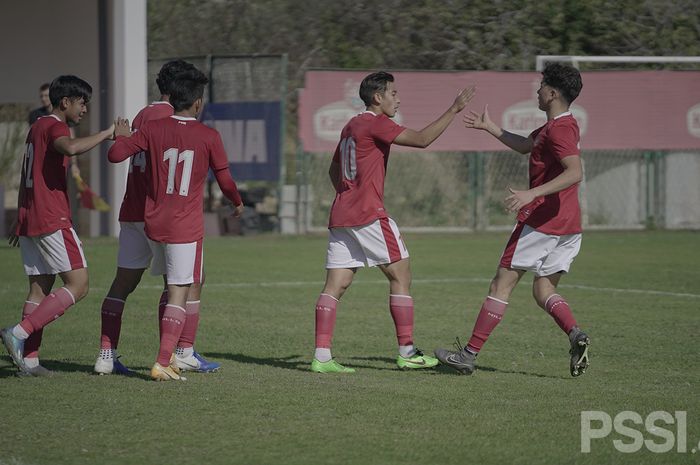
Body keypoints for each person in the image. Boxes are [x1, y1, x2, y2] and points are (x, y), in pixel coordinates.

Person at [311, 71, 475, 373]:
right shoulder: (376, 123)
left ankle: (322, 357)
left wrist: (349, 194)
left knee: (336, 284)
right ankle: (408, 352)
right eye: (394, 93)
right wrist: (454, 109)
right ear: (378, 97)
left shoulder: (351, 125)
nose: (398, 99)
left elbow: (334, 172)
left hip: (341, 215)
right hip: (368, 214)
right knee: (401, 274)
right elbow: (423, 140)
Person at [435, 62, 591, 377]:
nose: (537, 91)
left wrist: (534, 194)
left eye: (541, 86)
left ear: (551, 93)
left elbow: (575, 172)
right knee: (543, 290)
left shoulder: (558, 129)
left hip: (544, 223)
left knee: (501, 284)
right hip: (569, 225)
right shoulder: (559, 125)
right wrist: (490, 127)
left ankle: (468, 355)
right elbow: (525, 146)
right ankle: (576, 335)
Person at [108, 65, 244, 381]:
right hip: (185, 226)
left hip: (154, 223)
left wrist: (122, 137)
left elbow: (116, 155)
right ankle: (165, 360)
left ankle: (174, 355)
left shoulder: (153, 130)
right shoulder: (208, 135)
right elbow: (224, 180)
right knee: (179, 289)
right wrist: (236, 202)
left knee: (173, 287)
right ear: (197, 103)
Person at [0, 75, 116, 376]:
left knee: (40, 288)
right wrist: (107, 133)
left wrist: (21, 218)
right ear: (65, 102)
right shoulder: (54, 126)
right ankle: (19, 332)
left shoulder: (36, 126)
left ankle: (30, 361)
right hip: (51, 218)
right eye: (82, 103)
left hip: (31, 217)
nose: (85, 109)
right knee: (79, 285)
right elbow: (71, 148)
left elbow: (31, 171)